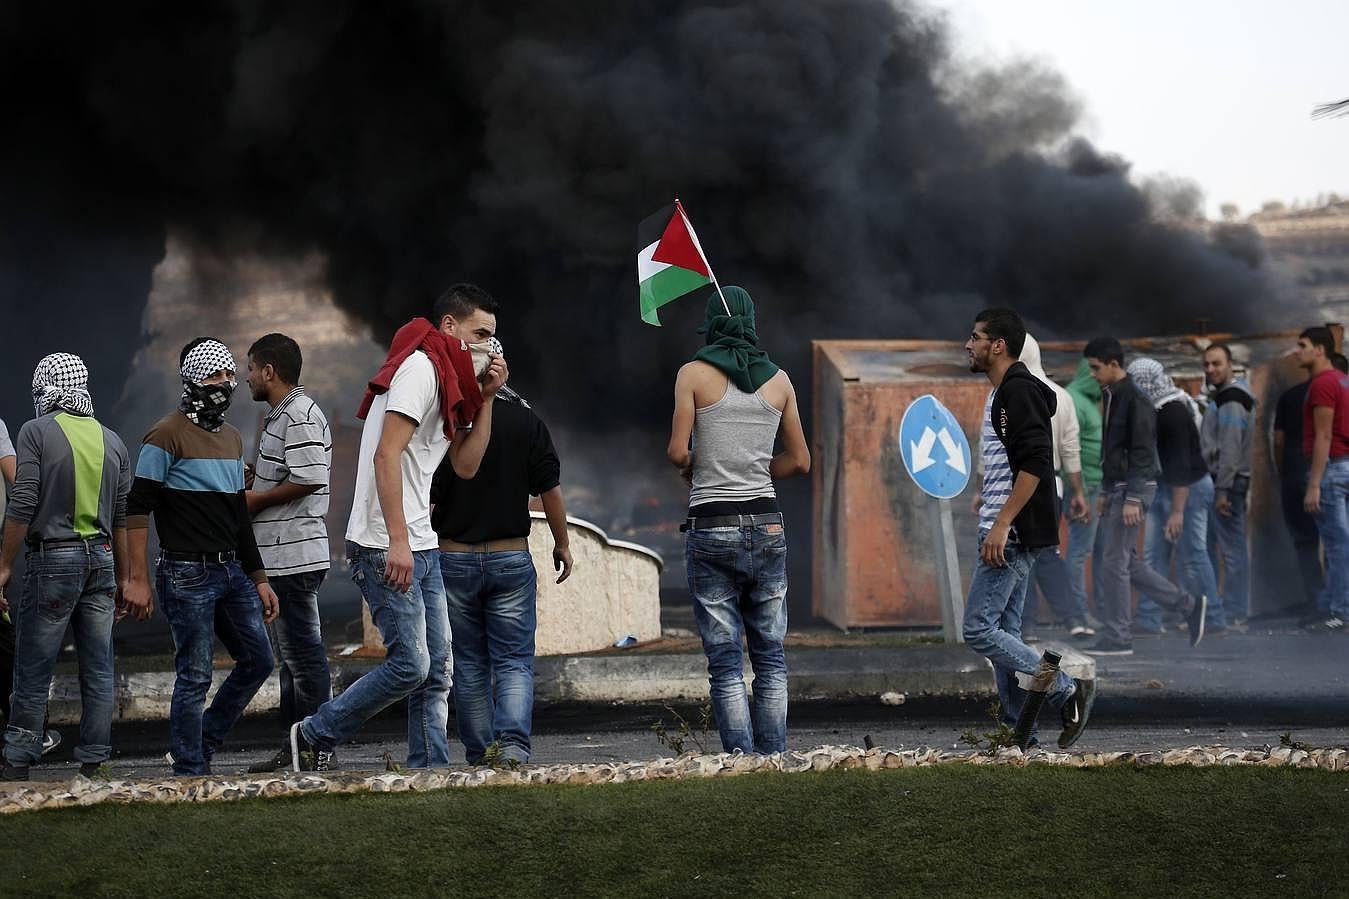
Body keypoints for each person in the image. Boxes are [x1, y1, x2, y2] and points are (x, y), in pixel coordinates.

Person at [288, 284, 507, 771]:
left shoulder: (451, 381)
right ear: (450, 327)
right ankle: (314, 733)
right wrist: (400, 543)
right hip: (384, 543)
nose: (489, 347)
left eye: (494, 338)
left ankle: (425, 771)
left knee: (436, 672)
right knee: (412, 663)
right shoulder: (421, 370)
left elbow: (467, 466)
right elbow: (387, 455)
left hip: (419, 541)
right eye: (481, 334)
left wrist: (487, 397)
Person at [124, 338, 281, 776]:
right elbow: (137, 507)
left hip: (231, 569)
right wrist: (136, 578)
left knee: (259, 660)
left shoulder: (232, 438)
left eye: (230, 375)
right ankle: (190, 771)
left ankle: (199, 744)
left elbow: (237, 513)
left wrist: (259, 576)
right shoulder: (165, 434)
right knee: (194, 674)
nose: (226, 384)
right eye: (215, 376)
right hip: (185, 572)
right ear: (191, 380)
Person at [667, 286, 809, 755]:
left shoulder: (692, 374)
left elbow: (676, 451)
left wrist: (698, 465)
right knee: (770, 656)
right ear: (751, 322)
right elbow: (800, 460)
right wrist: (755, 467)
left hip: (711, 525)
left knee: (726, 661)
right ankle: (774, 757)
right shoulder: (781, 382)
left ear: (712, 322)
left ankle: (740, 761)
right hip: (768, 525)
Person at [0, 354, 143, 780]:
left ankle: (18, 760)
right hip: (100, 561)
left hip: (54, 561)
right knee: (98, 666)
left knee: (32, 665)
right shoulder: (112, 440)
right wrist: (125, 577)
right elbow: (120, 517)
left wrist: (4, 565)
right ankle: (94, 760)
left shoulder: (35, 432)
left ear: (43, 386)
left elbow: (23, 499)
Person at [960, 309, 1095, 750]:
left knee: (979, 629)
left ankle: (1064, 690)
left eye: (976, 338)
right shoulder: (1003, 392)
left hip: (1009, 533)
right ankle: (1023, 734)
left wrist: (1002, 523)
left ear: (998, 345)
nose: (969, 345)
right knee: (1006, 635)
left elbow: (1037, 462)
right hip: (1004, 526)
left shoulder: (1018, 392)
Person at [432, 338, 570, 766]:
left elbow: (428, 496)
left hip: (453, 558)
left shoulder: (444, 422)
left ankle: (480, 753)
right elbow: (549, 489)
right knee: (513, 662)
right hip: (511, 557)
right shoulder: (527, 422)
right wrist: (563, 543)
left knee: (470, 663)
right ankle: (512, 749)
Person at [242, 333, 335, 773]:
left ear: (268, 371)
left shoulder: (297, 414)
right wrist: (256, 479)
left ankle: (317, 748)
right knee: (293, 661)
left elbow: (310, 476)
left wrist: (254, 500)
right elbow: (288, 473)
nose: (246, 379)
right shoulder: (282, 416)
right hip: (282, 553)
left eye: (249, 369)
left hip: (293, 555)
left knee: (304, 657)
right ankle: (300, 748)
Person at [1083, 337, 1206, 655]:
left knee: (1114, 563)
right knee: (1127, 561)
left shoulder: (1136, 400)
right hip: (1121, 487)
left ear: (1114, 364)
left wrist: (1133, 498)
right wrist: (1107, 490)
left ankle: (1118, 637)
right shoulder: (1113, 394)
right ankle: (1188, 605)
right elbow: (1113, 449)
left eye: (1096, 368)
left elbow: (1140, 451)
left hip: (1133, 488)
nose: (1093, 374)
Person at [1128, 358, 1219, 636]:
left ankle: (1213, 616)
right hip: (1164, 485)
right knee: (1153, 554)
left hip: (1188, 488)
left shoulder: (1173, 411)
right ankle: (1149, 618)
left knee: (1193, 553)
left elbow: (1182, 465)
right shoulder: (1153, 409)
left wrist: (1177, 511)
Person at [1014, 335, 1091, 638]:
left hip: (1019, 485)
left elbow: (989, 446)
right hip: (1053, 485)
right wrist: (1079, 492)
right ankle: (1073, 618)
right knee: (1047, 553)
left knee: (1021, 555)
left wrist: (982, 488)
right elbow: (1071, 449)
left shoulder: (1009, 395)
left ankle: (1027, 623)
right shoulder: (1062, 395)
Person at [1199, 344, 1256, 627]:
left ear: (1230, 363)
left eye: (1217, 364)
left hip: (1227, 484)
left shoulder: (1232, 398)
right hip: (1224, 481)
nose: (1211, 369)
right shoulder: (1223, 396)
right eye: (1207, 364)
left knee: (1232, 550)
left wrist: (1222, 490)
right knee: (1224, 547)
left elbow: (1231, 449)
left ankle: (1234, 611)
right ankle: (1224, 608)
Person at [1297, 327, 1349, 632]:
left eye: (1303, 345)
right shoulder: (1343, 380)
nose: (1298, 351)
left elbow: (1324, 435)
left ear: (1320, 350)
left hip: (1332, 471)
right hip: (1344, 466)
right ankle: (1333, 606)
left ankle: (1339, 611)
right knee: (1340, 544)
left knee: (1337, 545)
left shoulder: (1323, 384)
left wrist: (1314, 483)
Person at [1064, 358, 1105, 632]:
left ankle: (1088, 612)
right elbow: (1071, 448)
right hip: (1085, 487)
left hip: (1094, 486)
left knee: (1093, 552)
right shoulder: (1074, 400)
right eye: (1094, 370)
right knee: (1079, 553)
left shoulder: (1089, 399)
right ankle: (1077, 614)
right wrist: (1077, 490)